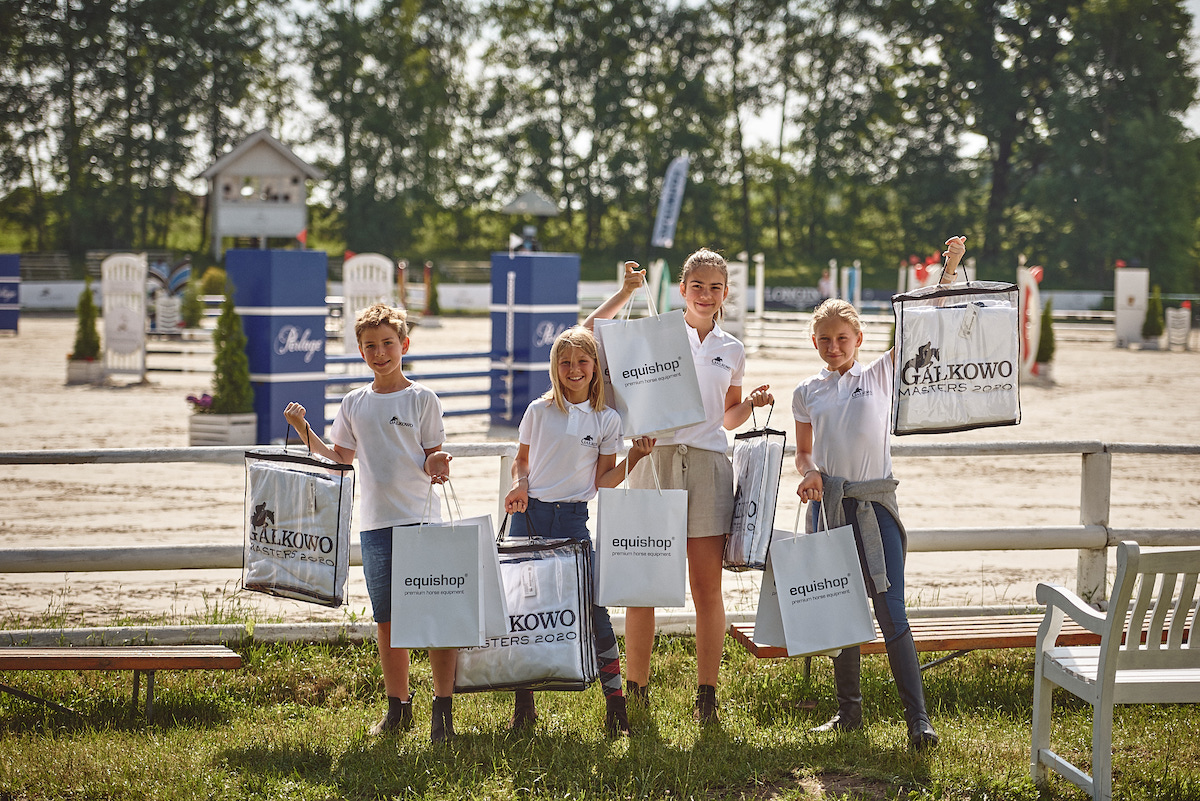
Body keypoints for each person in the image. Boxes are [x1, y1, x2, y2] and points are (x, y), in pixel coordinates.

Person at [793, 235, 966, 749]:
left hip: (875, 508)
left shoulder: (882, 374)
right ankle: (850, 714)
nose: (833, 347)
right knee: (842, 611)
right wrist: (808, 473)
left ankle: (919, 720)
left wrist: (949, 268)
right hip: (830, 511)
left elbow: (924, 322)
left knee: (892, 610)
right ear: (815, 343)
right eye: (824, 340)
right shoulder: (807, 392)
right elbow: (804, 452)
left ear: (859, 337)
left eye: (841, 338)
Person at [585, 252, 773, 724]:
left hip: (709, 463)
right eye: (697, 286)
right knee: (643, 584)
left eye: (715, 287)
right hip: (653, 461)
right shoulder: (658, 332)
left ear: (725, 293)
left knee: (706, 588)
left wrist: (748, 405)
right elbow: (590, 331)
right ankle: (636, 692)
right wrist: (627, 292)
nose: (706, 295)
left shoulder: (732, 347)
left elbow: (727, 416)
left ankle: (706, 695)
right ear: (683, 289)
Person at [283, 303, 457, 743]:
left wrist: (438, 461)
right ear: (361, 352)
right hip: (376, 526)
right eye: (370, 347)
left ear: (404, 345)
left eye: (388, 344)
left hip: (422, 523)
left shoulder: (423, 399)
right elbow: (340, 458)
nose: (380, 353)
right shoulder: (354, 402)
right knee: (388, 621)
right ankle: (398, 706)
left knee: (434, 617)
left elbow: (433, 453)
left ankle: (443, 709)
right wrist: (304, 430)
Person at [503, 326, 656, 736]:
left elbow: (605, 480)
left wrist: (636, 459)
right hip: (530, 517)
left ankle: (616, 705)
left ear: (595, 369)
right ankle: (524, 704)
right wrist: (519, 484)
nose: (573, 369)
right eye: (565, 362)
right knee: (524, 608)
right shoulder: (538, 411)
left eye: (582, 362)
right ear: (555, 366)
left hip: (573, 520)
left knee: (594, 609)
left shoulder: (607, 420)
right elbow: (522, 461)